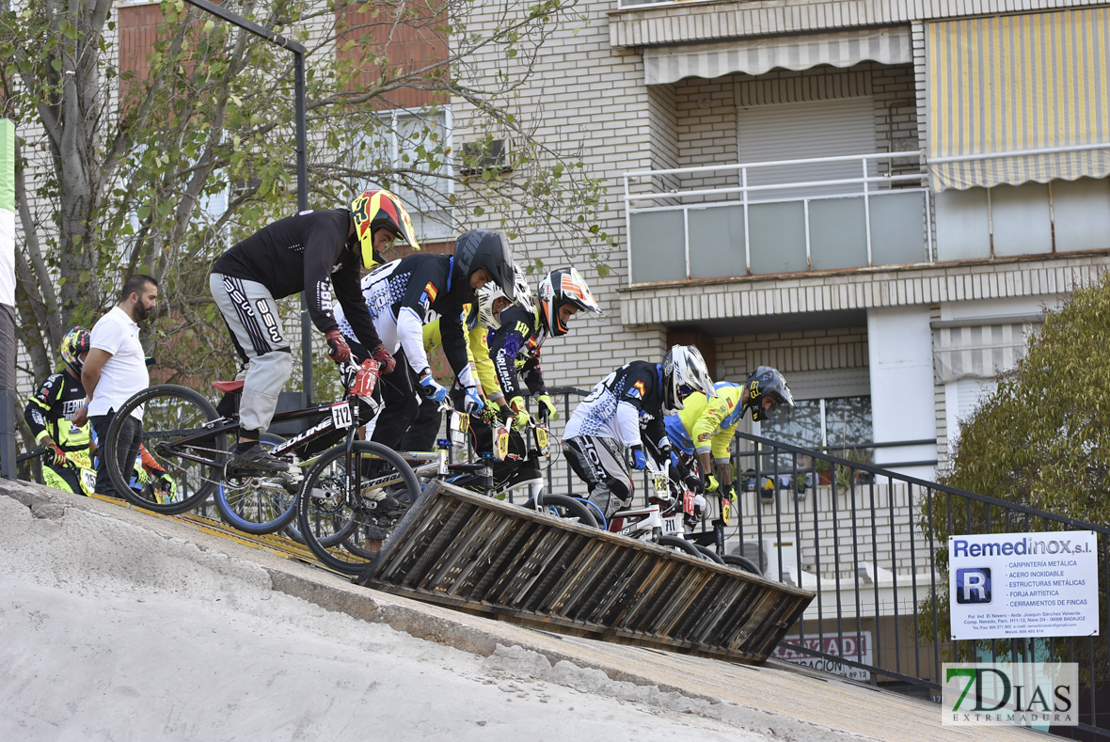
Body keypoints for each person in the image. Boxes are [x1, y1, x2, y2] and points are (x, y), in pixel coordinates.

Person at [209, 189, 412, 473]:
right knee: (275, 357)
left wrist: (377, 348)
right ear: (369, 224)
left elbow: (354, 304)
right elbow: (316, 279)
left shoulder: (348, 252)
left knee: (260, 363)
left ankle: (211, 438)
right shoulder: (330, 227)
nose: (383, 248)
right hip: (237, 277)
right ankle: (247, 448)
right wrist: (331, 332)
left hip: (252, 284)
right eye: (384, 239)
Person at [333, 228, 517, 450]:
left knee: (407, 406)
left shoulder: (454, 296)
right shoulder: (434, 269)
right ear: (470, 264)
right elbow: (407, 322)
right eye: (482, 278)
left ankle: (369, 475)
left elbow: (456, 341)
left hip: (381, 342)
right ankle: (298, 451)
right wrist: (424, 374)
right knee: (364, 405)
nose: (481, 286)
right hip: (352, 327)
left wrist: (470, 389)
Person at [561, 345, 716, 520]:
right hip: (587, 431)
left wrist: (685, 475)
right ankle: (580, 530)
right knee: (618, 485)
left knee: (626, 495)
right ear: (675, 375)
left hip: (598, 436)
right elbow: (626, 409)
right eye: (685, 391)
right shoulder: (645, 374)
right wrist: (635, 447)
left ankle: (574, 518)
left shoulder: (654, 400)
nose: (684, 397)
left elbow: (659, 441)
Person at [663, 366, 795, 522]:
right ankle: (660, 538)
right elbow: (701, 429)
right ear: (758, 390)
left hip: (684, 445)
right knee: (674, 500)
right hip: (668, 436)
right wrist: (707, 474)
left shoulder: (738, 409)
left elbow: (721, 446)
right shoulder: (728, 397)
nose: (766, 407)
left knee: (698, 505)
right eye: (768, 401)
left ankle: (678, 543)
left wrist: (728, 485)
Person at [78, 274, 159, 498]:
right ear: (134, 297)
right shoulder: (113, 323)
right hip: (115, 413)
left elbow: (106, 374)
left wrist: (87, 405)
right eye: (151, 297)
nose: (154, 304)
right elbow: (89, 370)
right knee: (110, 484)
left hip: (129, 414)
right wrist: (93, 401)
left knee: (123, 487)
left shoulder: (127, 326)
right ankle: (98, 530)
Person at [23, 327, 95, 494]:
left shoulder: (91, 384)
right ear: (72, 353)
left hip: (86, 468)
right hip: (60, 465)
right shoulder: (57, 381)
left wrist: (97, 450)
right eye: (86, 354)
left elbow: (82, 429)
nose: (91, 359)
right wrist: (50, 444)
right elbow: (32, 411)